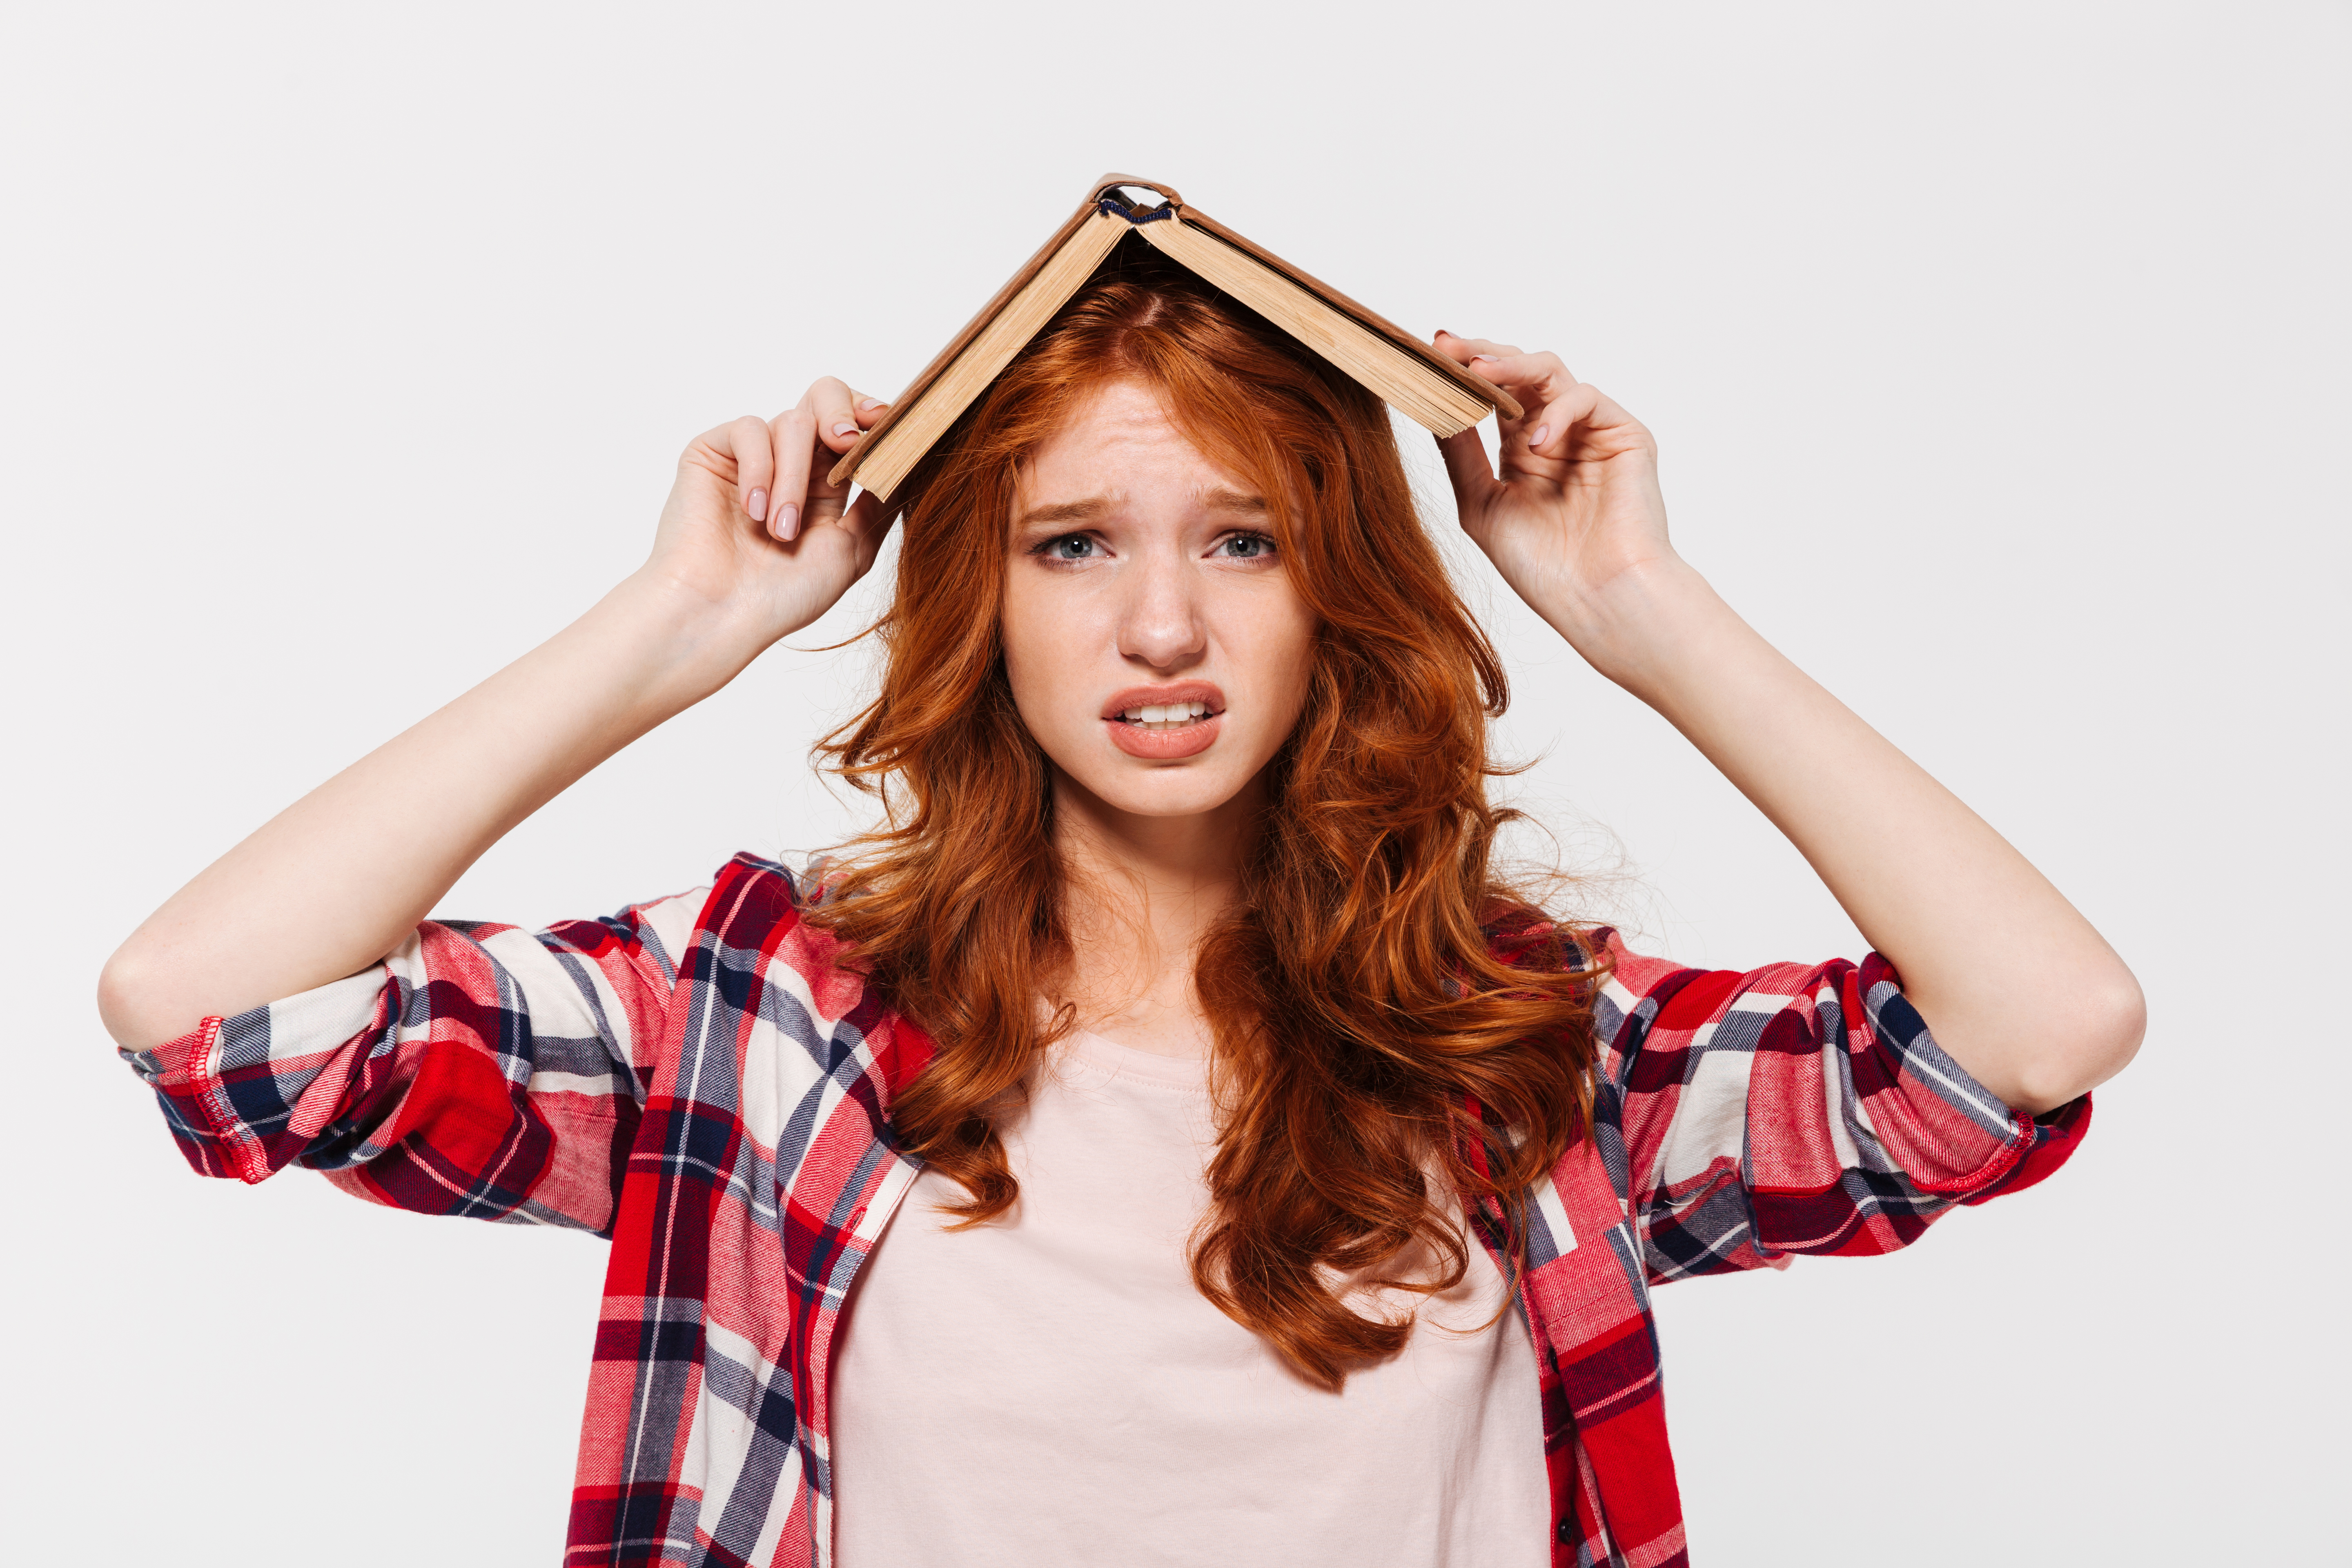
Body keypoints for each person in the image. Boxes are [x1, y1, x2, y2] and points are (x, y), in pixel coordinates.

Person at [100, 249, 2142, 1567]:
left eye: (1241, 538)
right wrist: (679, 625)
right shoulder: (765, 1018)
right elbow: (210, 1008)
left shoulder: (1516, 1048)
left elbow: (2033, 1034)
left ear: (1333, 587)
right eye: (1074, 543)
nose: (1160, 624)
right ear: (981, 597)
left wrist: (1642, 613)